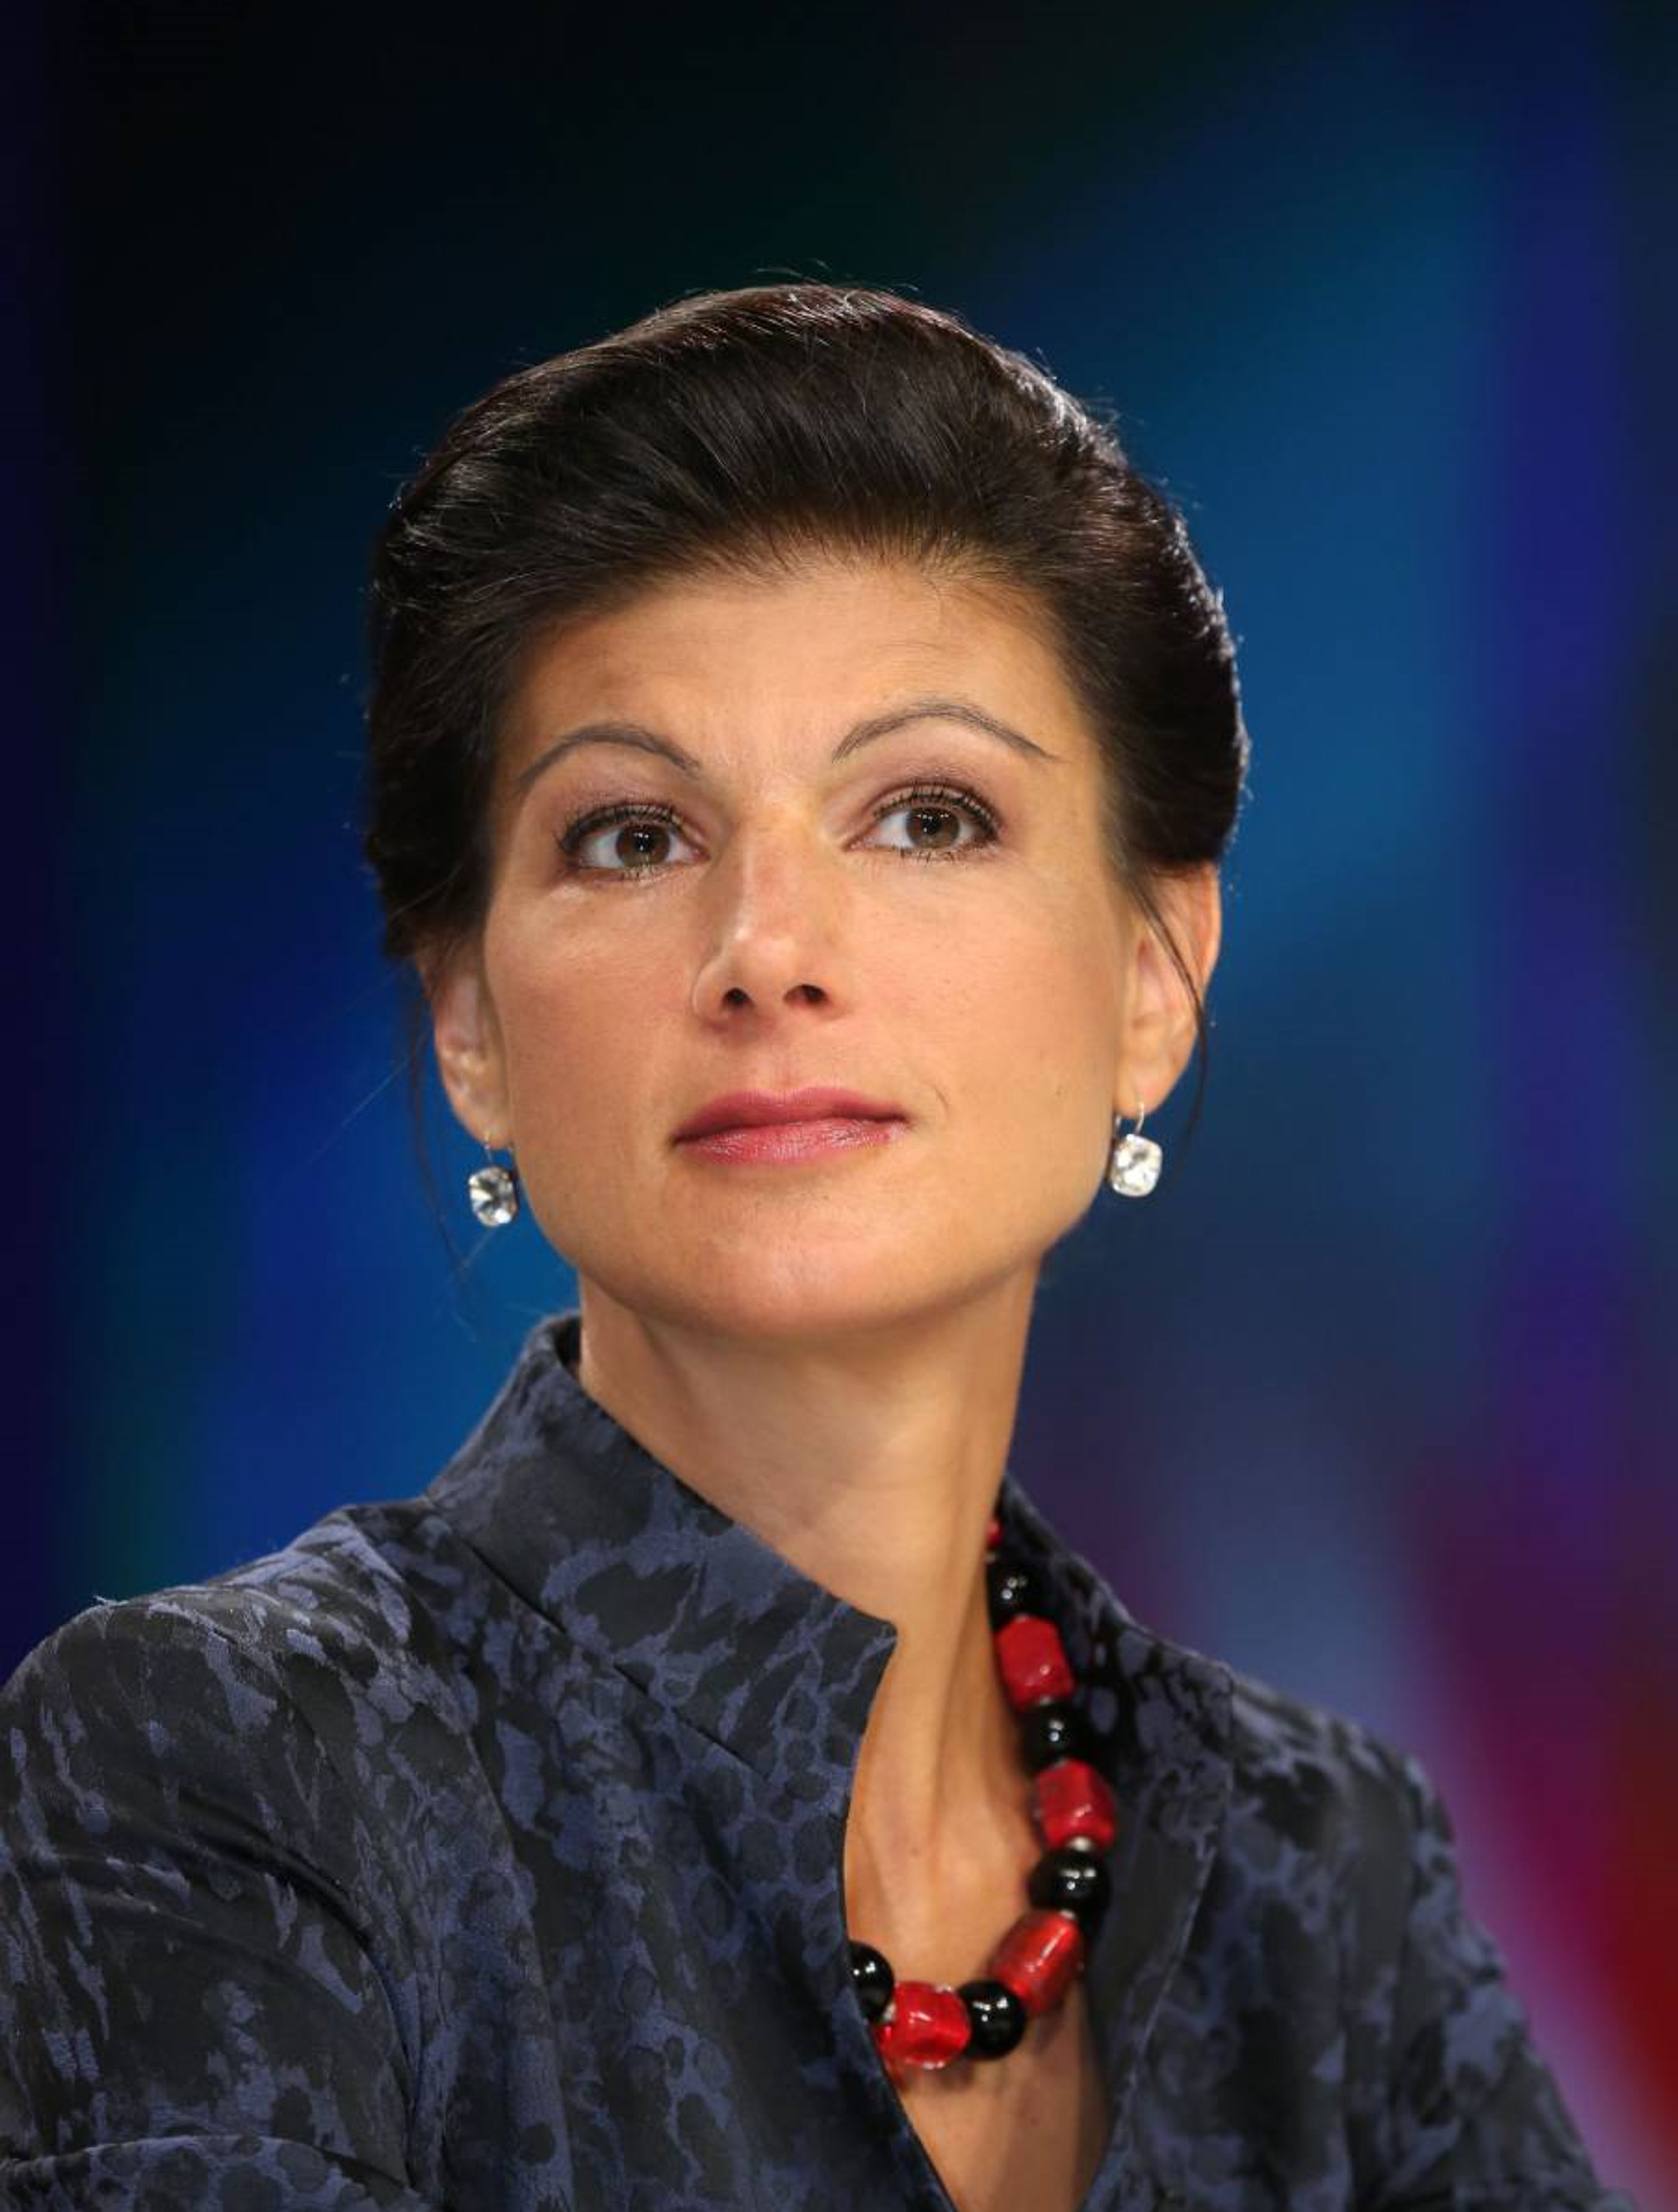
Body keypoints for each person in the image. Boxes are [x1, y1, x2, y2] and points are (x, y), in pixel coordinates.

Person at [0, 283, 1633, 2212]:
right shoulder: (221, 1772)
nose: (769, 946)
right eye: (628, 835)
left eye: (928, 817)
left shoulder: (1321, 1866)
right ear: (469, 1025)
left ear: (1154, 973)